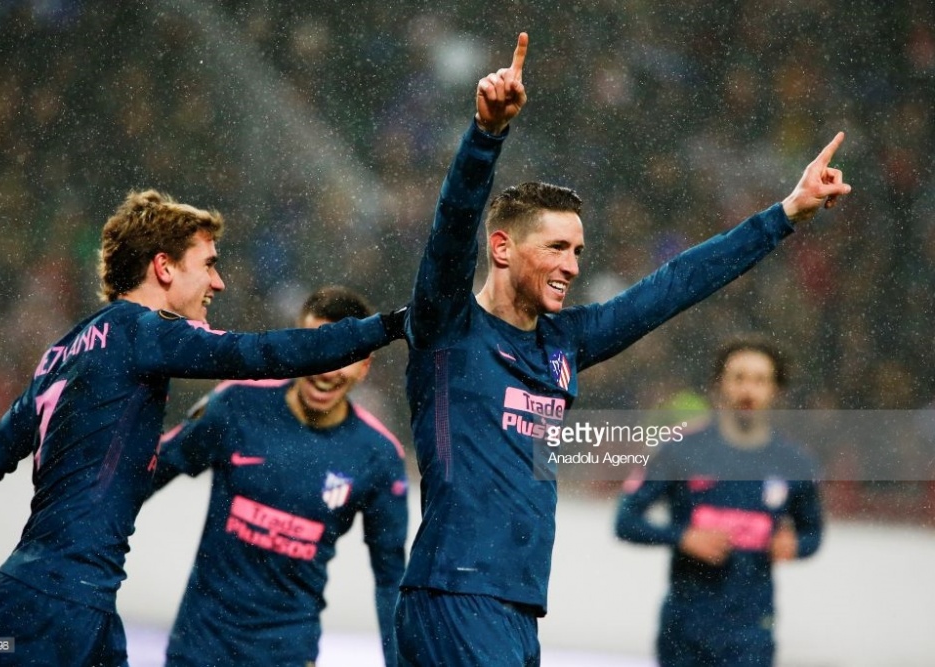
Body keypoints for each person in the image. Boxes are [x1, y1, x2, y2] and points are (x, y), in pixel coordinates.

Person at [393, 32, 849, 666]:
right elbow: (449, 231)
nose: (573, 266)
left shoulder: (565, 341)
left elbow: (676, 284)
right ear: (502, 248)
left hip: (517, 602)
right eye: (557, 248)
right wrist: (486, 136)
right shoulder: (449, 328)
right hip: (456, 591)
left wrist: (786, 215)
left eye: (578, 251)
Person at [0, 190, 405, 666]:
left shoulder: (63, 352)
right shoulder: (144, 332)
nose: (218, 282)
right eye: (208, 264)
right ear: (164, 267)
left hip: (53, 596)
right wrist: (386, 327)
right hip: (60, 607)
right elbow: (259, 354)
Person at [149, 285, 409, 667]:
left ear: (365, 365)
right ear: (295, 347)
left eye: (345, 355)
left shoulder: (380, 456)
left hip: (288, 655)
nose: (327, 368)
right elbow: (146, 475)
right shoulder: (237, 404)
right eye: (317, 347)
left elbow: (391, 579)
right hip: (199, 649)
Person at [615, 337, 824, 666]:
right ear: (719, 384)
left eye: (760, 380)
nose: (748, 390)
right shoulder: (681, 449)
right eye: (738, 378)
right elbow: (626, 520)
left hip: (751, 634)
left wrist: (793, 545)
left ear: (775, 390)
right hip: (685, 630)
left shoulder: (794, 463)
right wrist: (682, 536)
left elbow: (813, 534)